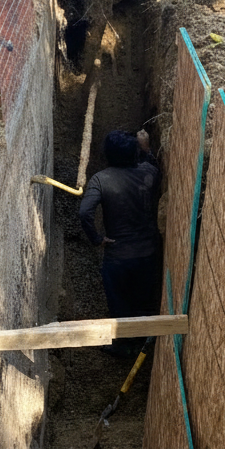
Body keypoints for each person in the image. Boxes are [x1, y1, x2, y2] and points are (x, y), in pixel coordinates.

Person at [79, 129, 162, 354]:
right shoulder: (149, 173)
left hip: (117, 258)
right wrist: (145, 149)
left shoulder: (101, 179)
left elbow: (85, 212)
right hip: (148, 254)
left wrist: (97, 238)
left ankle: (124, 346)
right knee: (143, 299)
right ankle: (144, 341)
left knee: (119, 302)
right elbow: (153, 165)